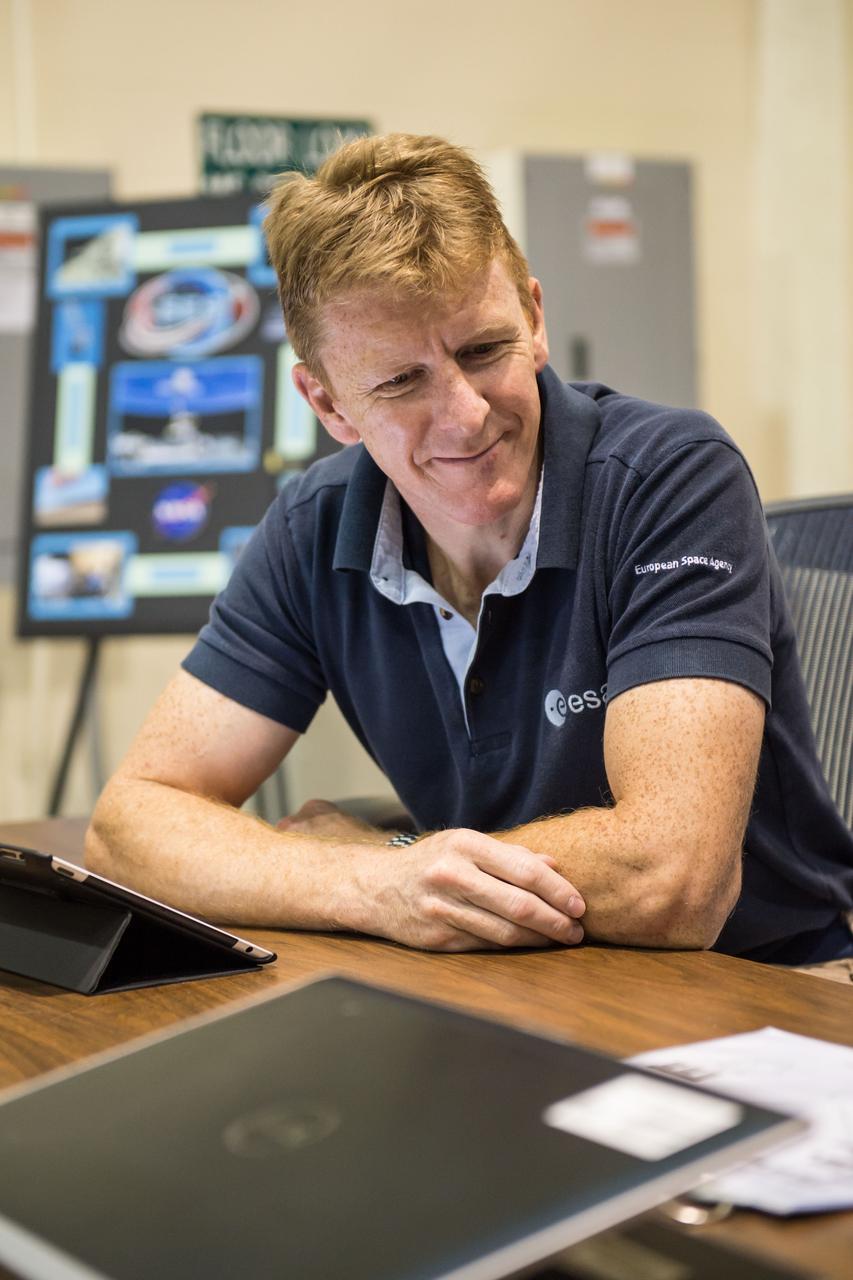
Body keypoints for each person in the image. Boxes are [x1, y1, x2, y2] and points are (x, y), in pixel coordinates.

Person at [86, 133, 853, 963]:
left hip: (759, 990)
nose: (464, 416)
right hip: (503, 977)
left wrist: (398, 857)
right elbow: (131, 827)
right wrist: (368, 881)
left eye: (483, 351)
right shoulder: (315, 525)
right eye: (400, 382)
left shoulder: (668, 478)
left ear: (533, 317)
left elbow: (670, 879)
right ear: (328, 402)